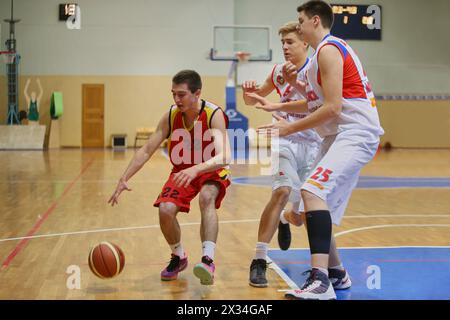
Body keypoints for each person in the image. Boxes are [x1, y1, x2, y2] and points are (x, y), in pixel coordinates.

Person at [258, 0, 384, 299]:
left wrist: (288, 127)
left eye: (300, 20)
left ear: (315, 21)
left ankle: (320, 280)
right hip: (337, 136)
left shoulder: (329, 50)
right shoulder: (319, 56)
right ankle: (337, 273)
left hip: (354, 133)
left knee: (312, 190)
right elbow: (315, 101)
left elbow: (332, 107)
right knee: (306, 205)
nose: (297, 25)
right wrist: (278, 103)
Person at [108, 70, 231, 286]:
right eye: (173, 94)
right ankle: (179, 256)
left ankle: (208, 260)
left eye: (181, 94)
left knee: (206, 197)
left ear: (197, 93)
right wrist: (124, 177)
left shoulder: (213, 114)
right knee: (165, 209)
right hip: (182, 170)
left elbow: (225, 156)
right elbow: (147, 149)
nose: (176, 99)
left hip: (210, 169)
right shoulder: (171, 115)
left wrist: (196, 170)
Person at [242, 21, 322, 288]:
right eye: (283, 43)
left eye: (290, 43)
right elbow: (255, 99)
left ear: (305, 44)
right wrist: (248, 93)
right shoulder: (278, 72)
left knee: (305, 214)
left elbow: (319, 105)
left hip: (314, 145)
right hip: (285, 140)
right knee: (281, 192)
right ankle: (259, 260)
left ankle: (288, 221)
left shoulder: (318, 70)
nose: (285, 48)